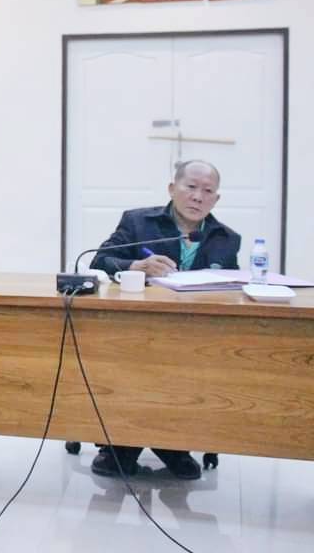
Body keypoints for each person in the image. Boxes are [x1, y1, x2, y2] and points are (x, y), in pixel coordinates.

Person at [88, 159, 240, 480]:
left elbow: (232, 287)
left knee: (190, 372)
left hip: (194, 337)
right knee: (135, 368)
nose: (198, 197)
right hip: (135, 330)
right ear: (172, 189)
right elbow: (99, 260)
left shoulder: (227, 238)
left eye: (207, 191)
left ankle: (172, 443)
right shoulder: (138, 222)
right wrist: (134, 266)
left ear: (216, 199)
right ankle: (122, 445)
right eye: (191, 187)